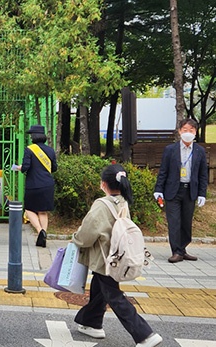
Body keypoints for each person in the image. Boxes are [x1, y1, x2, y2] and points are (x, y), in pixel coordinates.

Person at [72, 164, 162, 347]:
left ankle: (145, 334)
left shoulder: (101, 205)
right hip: (117, 258)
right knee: (99, 290)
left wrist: (76, 239)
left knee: (114, 296)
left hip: (105, 259)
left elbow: (88, 233)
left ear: (103, 184)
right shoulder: (123, 201)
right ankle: (91, 323)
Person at [154, 118, 208, 263]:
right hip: (173, 191)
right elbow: (163, 171)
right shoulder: (170, 150)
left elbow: (203, 174)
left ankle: (183, 249)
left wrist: (202, 193)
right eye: (185, 130)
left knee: (186, 223)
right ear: (179, 131)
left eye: (191, 130)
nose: (188, 133)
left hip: (190, 191)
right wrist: (158, 189)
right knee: (174, 222)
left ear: (195, 132)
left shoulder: (200, 151)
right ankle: (176, 251)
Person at [14, 125, 57, 247]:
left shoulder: (29, 149)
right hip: (48, 184)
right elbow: (54, 168)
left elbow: (26, 167)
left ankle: (40, 231)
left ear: (33, 136)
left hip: (33, 184)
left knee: (29, 209)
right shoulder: (50, 150)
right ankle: (43, 237)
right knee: (43, 211)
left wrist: (20, 167)